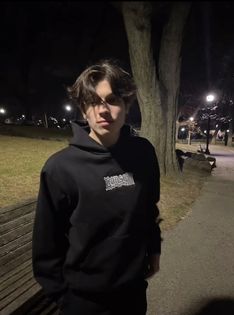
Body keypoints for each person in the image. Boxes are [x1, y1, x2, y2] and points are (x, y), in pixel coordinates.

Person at [32, 59, 162, 315]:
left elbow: (149, 209)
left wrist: (154, 250)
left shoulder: (143, 153)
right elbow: (46, 246)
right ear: (83, 109)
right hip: (83, 301)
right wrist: (64, 298)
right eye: (93, 101)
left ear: (127, 105)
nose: (103, 110)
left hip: (133, 293)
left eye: (112, 99)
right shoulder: (60, 168)